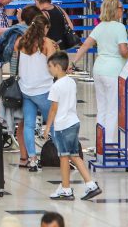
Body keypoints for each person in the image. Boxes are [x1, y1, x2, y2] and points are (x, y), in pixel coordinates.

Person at [69, 0, 128, 149]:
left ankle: (100, 143)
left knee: (102, 108)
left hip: (99, 69)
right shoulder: (119, 27)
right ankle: (108, 143)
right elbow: (123, 51)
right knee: (112, 109)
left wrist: (73, 62)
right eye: (121, 8)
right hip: (114, 71)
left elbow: (84, 46)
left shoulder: (100, 26)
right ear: (115, 10)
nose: (123, 10)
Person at [42, 51, 102, 201]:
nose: (49, 69)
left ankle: (67, 189)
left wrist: (48, 126)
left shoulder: (56, 86)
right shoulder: (71, 82)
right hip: (73, 122)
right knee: (74, 156)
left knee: (64, 157)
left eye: (50, 66)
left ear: (57, 67)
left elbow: (53, 109)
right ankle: (90, 184)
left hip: (62, 125)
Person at [15, 13, 57, 171]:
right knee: (53, 122)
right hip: (43, 90)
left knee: (29, 125)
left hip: (25, 89)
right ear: (44, 28)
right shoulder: (46, 43)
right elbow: (53, 65)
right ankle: (60, 153)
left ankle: (32, 158)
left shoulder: (22, 41)